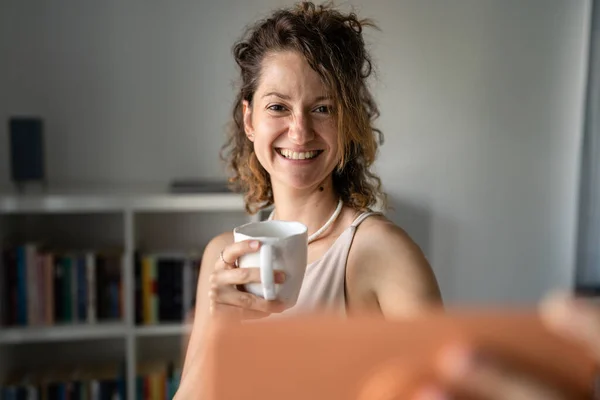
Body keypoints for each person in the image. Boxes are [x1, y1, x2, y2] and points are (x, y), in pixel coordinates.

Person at [176, 2, 600, 399]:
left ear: (349, 122)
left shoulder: (380, 252)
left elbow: (443, 387)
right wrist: (219, 325)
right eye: (278, 107)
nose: (300, 131)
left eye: (323, 108)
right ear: (249, 121)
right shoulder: (223, 256)